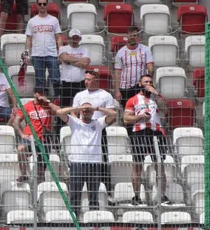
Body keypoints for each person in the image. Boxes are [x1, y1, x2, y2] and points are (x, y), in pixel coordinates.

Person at [123, 74, 170, 205]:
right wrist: (140, 117)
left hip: (157, 132)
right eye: (145, 82)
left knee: (159, 165)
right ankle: (137, 197)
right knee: (137, 165)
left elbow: (166, 110)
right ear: (140, 84)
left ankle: (162, 196)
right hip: (139, 131)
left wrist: (156, 93)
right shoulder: (133, 100)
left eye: (150, 82)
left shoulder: (157, 98)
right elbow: (126, 119)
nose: (148, 84)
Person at [64, 100, 118, 209]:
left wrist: (97, 108)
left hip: (94, 163)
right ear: (80, 111)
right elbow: (60, 112)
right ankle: (75, 218)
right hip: (77, 163)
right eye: (84, 110)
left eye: (89, 110)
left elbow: (114, 114)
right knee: (75, 196)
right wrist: (77, 108)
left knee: (94, 196)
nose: (86, 112)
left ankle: (94, 223)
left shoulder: (98, 123)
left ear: (93, 112)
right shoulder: (74, 122)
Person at [26, 0, 63, 99]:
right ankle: (41, 104)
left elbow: (59, 38)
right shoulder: (32, 21)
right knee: (40, 81)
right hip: (37, 55)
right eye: (40, 4)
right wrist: (27, 54)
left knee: (56, 79)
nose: (42, 6)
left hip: (51, 54)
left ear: (47, 5)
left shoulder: (54, 20)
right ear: (37, 5)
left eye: (44, 4)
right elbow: (28, 39)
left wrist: (60, 53)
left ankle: (57, 101)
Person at [114, 25, 154, 103]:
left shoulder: (145, 49)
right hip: (125, 88)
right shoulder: (120, 52)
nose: (132, 37)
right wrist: (117, 90)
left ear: (138, 36)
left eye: (134, 35)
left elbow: (150, 67)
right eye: (130, 35)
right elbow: (117, 72)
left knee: (142, 109)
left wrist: (149, 83)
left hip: (140, 87)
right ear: (126, 36)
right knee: (128, 112)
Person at [58, 29, 91, 104]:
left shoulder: (84, 49)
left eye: (77, 38)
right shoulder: (63, 48)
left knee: (80, 106)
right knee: (65, 106)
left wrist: (69, 61)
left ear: (80, 39)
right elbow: (64, 58)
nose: (75, 40)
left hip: (80, 83)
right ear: (69, 38)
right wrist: (80, 60)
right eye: (73, 38)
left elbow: (85, 63)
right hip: (66, 83)